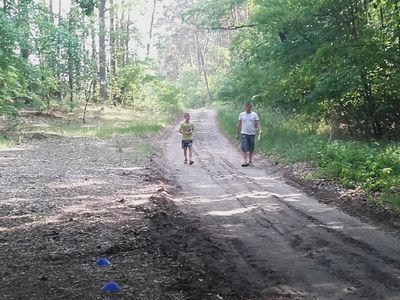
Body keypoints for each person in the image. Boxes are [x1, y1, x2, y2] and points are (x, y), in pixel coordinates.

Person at [236, 102, 261, 167]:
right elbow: (239, 124)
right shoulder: (241, 114)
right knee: (244, 147)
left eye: (249, 107)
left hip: (252, 133)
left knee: (251, 147)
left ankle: (250, 161)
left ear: (251, 107)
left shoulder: (254, 114)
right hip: (244, 133)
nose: (247, 109)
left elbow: (258, 122)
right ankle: (245, 161)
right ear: (244, 107)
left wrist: (260, 129)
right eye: (246, 107)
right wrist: (237, 134)